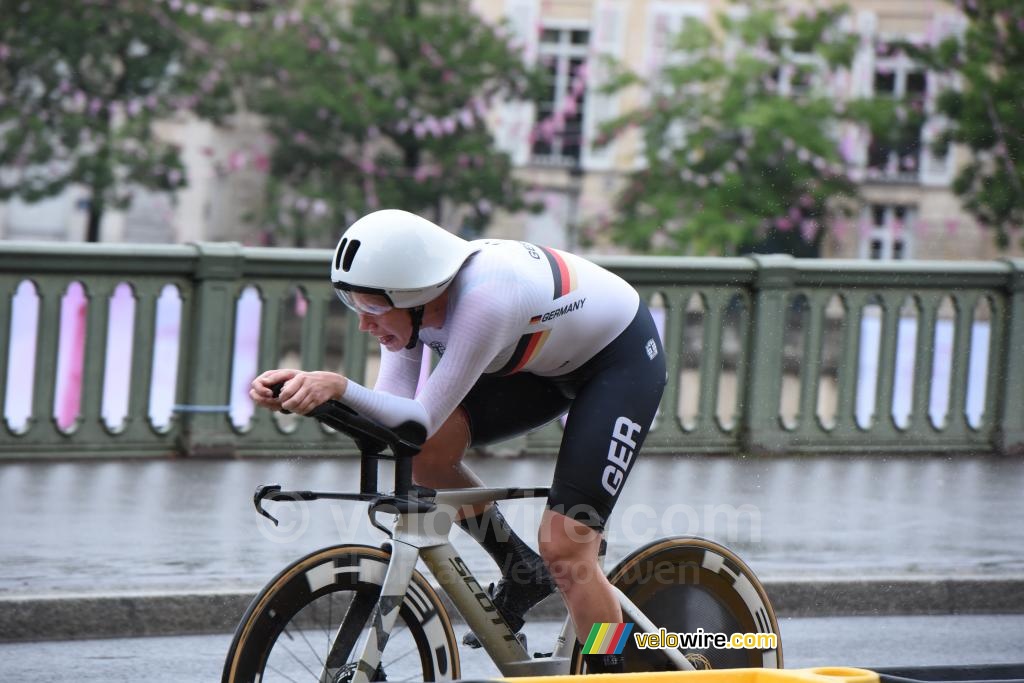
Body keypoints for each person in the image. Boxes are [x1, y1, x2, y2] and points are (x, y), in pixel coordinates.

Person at [250, 209, 666, 674]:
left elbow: (417, 418)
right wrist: (310, 396)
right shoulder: (416, 308)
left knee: (567, 548)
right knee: (425, 457)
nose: (364, 325)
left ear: (414, 295)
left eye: (370, 307)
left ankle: (616, 669)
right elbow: (394, 420)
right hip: (541, 366)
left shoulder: (485, 300)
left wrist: (340, 387)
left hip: (618, 362)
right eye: (353, 306)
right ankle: (520, 569)